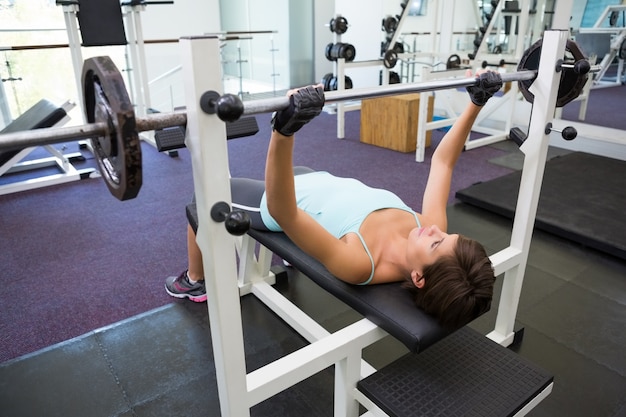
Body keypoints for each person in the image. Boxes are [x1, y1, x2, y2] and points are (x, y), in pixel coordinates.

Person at [166, 71, 501, 329]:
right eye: (446, 235)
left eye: (435, 244)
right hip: (314, 178)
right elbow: (443, 162)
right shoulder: (429, 228)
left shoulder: (360, 263)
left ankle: (195, 281)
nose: (435, 231)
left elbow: (287, 213)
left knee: (202, 198)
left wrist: (284, 130)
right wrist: (477, 101)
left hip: (280, 201)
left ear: (418, 279)